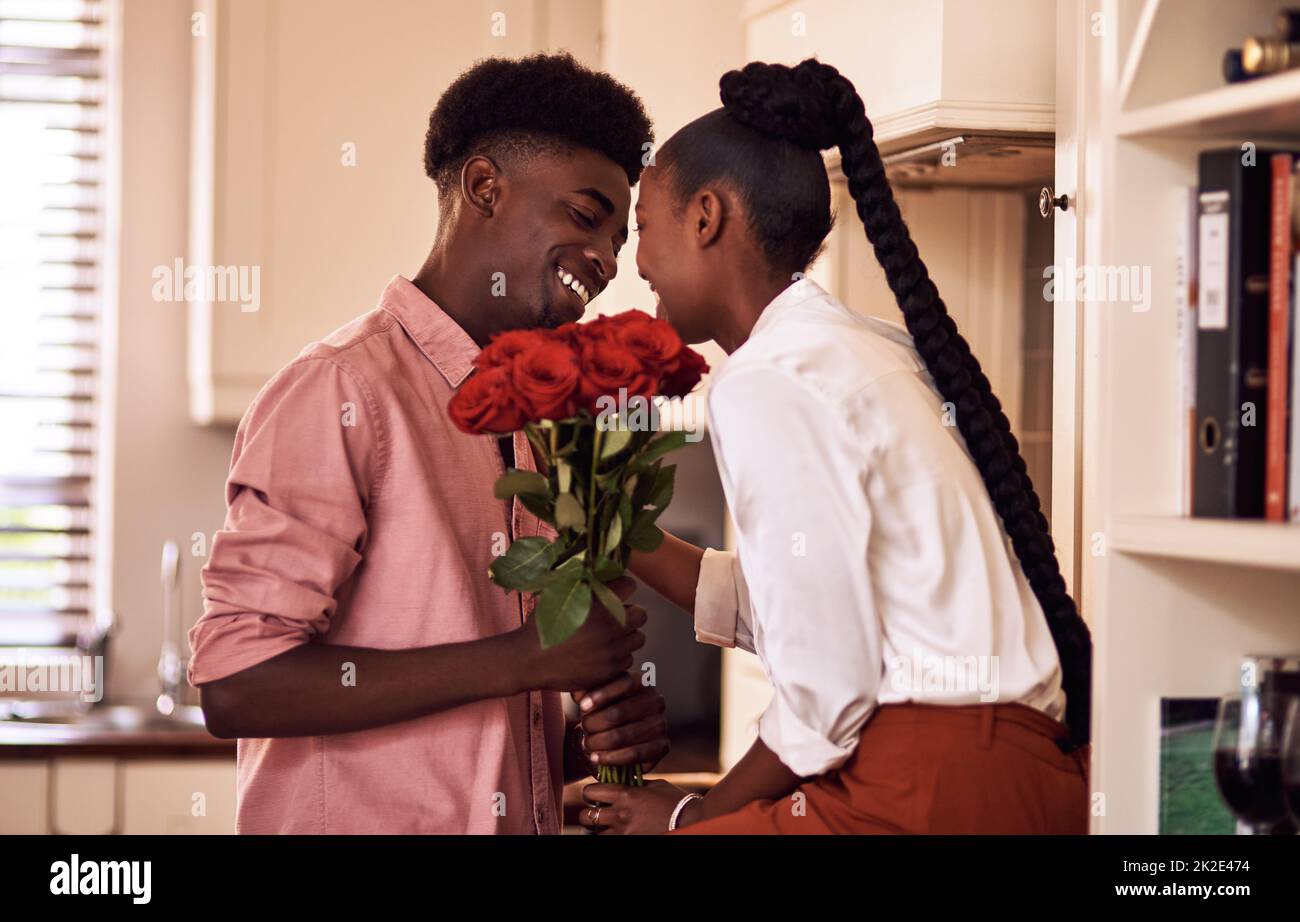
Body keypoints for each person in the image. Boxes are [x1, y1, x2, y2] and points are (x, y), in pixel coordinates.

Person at [578, 58, 1093, 835]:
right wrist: (606, 525)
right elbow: (813, 601)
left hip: (930, 786)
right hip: (1016, 775)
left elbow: (828, 690)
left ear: (707, 217)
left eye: (644, 228)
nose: (635, 262)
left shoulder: (767, 382)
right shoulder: (859, 347)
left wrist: (690, 817)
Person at [188, 53, 669, 834]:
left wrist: (587, 742)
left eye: (617, 237)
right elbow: (238, 683)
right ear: (484, 187)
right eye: (586, 217)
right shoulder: (342, 391)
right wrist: (530, 659)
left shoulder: (537, 430)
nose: (609, 261)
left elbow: (488, 727)